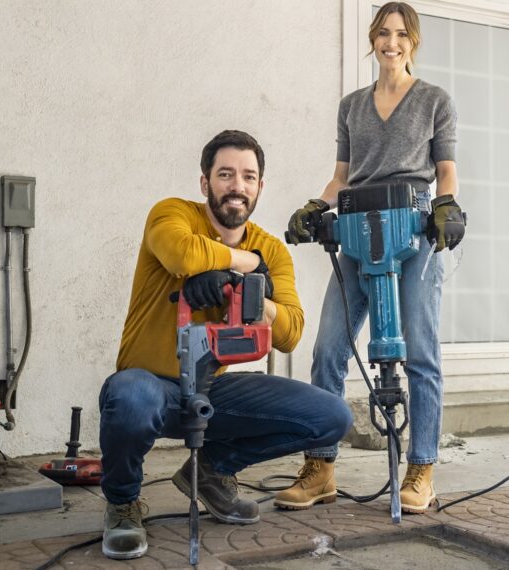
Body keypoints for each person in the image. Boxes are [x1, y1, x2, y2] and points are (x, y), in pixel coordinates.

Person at [98, 130, 353, 560]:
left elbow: (290, 332)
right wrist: (246, 263)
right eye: (226, 174)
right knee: (130, 396)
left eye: (248, 177)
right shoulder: (171, 214)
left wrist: (251, 294)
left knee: (331, 416)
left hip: (210, 390)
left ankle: (212, 471)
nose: (238, 186)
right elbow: (181, 255)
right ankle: (123, 502)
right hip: (151, 384)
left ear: (259, 187)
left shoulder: (272, 247)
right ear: (205, 183)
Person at [281, 1, 465, 514]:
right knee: (327, 350)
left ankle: (422, 469)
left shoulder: (434, 100)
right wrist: (316, 207)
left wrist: (447, 206)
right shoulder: (352, 105)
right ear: (372, 38)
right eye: (383, 33)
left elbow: (445, 171)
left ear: (414, 41)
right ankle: (320, 467)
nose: (392, 42)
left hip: (411, 231)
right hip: (356, 230)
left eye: (401, 34)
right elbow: (342, 175)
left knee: (421, 354)